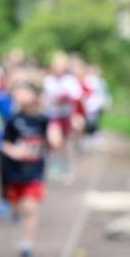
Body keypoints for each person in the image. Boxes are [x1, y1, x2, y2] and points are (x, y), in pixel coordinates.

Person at [1, 81, 63, 257]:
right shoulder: (11, 119)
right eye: (17, 92)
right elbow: (4, 142)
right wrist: (13, 151)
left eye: (24, 92)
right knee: (17, 206)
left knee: (31, 208)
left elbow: (54, 140)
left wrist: (54, 139)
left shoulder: (45, 119)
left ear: (35, 96)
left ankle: (27, 244)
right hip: (13, 171)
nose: (19, 95)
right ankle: (14, 210)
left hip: (34, 171)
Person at [42, 51, 82, 183]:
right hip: (53, 116)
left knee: (66, 145)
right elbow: (45, 97)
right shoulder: (48, 80)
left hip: (66, 116)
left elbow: (77, 97)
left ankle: (68, 169)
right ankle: (53, 166)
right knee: (54, 141)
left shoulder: (70, 80)